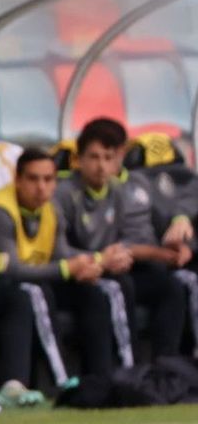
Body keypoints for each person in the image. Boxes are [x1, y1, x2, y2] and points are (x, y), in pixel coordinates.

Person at [0, 147, 89, 394]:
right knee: (31, 293)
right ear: (17, 180)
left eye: (48, 179)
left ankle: (20, 386)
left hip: (12, 288)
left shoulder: (51, 209)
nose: (41, 187)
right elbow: (11, 270)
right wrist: (67, 269)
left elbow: (61, 254)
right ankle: (61, 381)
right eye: (33, 179)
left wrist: (96, 261)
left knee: (94, 289)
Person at [55, 118, 189, 373]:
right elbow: (59, 250)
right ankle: (127, 373)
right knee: (116, 288)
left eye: (108, 157)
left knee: (172, 284)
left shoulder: (120, 188)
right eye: (94, 157)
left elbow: (165, 213)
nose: (101, 166)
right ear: (79, 159)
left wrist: (179, 232)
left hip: (111, 267)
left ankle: (167, 369)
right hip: (73, 274)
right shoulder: (64, 193)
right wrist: (103, 260)